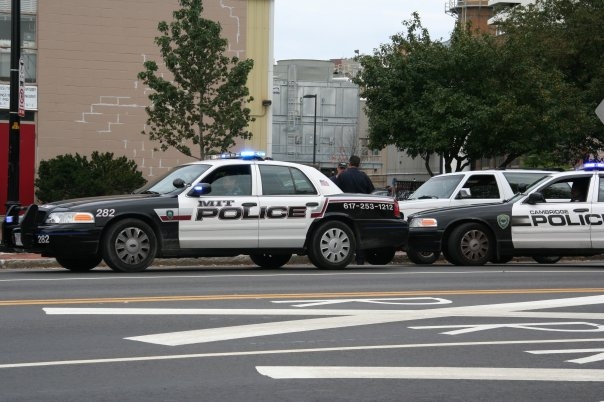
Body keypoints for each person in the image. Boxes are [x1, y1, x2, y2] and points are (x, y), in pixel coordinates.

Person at [334, 155, 375, 264]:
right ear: (359, 164)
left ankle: (346, 256)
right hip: (362, 208)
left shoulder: (343, 176)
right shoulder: (364, 176)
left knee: (347, 233)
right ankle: (360, 258)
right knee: (360, 233)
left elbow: (335, 191)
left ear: (350, 163)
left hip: (346, 208)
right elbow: (372, 191)